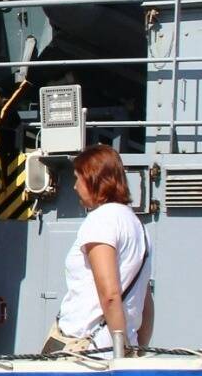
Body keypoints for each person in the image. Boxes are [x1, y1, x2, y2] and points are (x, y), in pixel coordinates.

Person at [43, 144, 151, 356]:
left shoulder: (101, 221)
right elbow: (145, 300)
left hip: (88, 351)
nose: (75, 186)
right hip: (117, 346)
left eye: (78, 178)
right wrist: (136, 350)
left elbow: (109, 294)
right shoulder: (139, 227)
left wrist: (119, 354)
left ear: (93, 179)